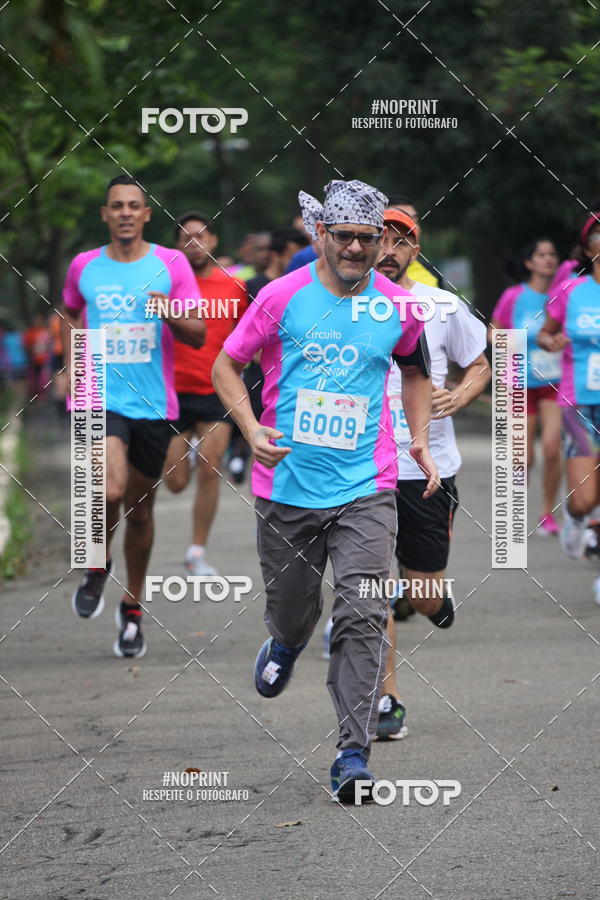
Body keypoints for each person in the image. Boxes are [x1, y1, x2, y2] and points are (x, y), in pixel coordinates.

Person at [213, 179, 438, 803]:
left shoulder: (397, 305)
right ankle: (285, 640)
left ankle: (352, 752)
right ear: (321, 235)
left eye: (369, 239)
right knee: (293, 606)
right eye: (345, 237)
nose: (358, 249)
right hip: (287, 484)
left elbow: (417, 371)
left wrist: (417, 436)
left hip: (368, 484)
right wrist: (252, 428)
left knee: (364, 613)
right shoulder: (280, 296)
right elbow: (225, 366)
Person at [63, 175, 204, 657]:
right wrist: (70, 363)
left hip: (153, 402)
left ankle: (132, 608)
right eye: (116, 206)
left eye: (134, 206)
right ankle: (94, 562)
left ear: (146, 215)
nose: (124, 212)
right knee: (108, 488)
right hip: (95, 393)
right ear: (105, 214)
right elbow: (68, 312)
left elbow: (198, 335)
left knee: (140, 513)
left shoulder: (172, 264)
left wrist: (169, 313)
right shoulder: (84, 265)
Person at [372, 208, 490, 739]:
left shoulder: (441, 305)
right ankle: (386, 698)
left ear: (415, 251)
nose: (389, 250)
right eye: (381, 240)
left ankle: (430, 595)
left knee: (421, 597)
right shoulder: (340, 308)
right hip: (362, 472)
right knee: (368, 591)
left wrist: (458, 397)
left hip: (428, 474)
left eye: (402, 242)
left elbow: (483, 362)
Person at [163, 211, 248, 575]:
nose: (193, 242)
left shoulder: (234, 285)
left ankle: (196, 552)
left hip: (216, 391)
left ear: (213, 241)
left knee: (211, 470)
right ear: (177, 246)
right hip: (173, 390)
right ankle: (189, 453)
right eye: (186, 238)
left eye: (200, 236)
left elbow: (250, 334)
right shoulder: (166, 283)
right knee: (176, 482)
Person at [538, 213, 600, 605]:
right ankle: (578, 517)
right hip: (579, 403)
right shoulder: (571, 290)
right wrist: (551, 341)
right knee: (583, 498)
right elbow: (544, 334)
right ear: (588, 246)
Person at [489, 238, 562, 535]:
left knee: (552, 448)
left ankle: (548, 514)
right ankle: (513, 513)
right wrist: (510, 343)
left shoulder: (564, 294)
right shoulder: (513, 296)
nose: (549, 259)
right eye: (541, 254)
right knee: (523, 456)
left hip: (554, 383)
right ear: (529, 263)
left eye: (552, 254)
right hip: (518, 382)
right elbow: (493, 332)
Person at [386, 194, 445, 289]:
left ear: (415, 252)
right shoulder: (360, 279)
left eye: (415, 220)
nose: (413, 226)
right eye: (401, 217)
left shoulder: (431, 271)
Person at [23, 313, 51, 400]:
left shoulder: (46, 332)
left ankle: (44, 395)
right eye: (36, 320)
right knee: (34, 379)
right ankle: (35, 395)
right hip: (34, 361)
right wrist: (30, 356)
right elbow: (27, 346)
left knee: (44, 378)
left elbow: (49, 345)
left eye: (39, 320)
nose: (37, 322)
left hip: (45, 360)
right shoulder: (30, 333)